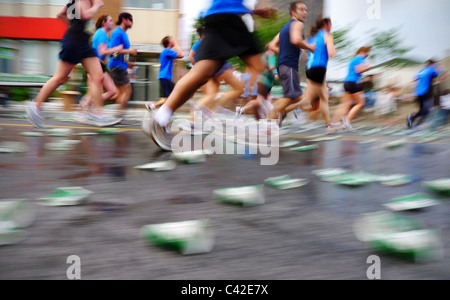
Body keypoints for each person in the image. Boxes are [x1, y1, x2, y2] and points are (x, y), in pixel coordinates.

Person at [146, 0, 277, 150]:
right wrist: (254, 12)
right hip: (229, 19)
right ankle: (263, 112)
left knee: (201, 73)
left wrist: (254, 12)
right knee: (258, 67)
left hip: (216, 17)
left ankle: (160, 117)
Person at [25, 0, 120, 128]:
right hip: (74, 42)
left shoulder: (74, 2)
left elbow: (60, 14)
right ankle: (35, 106)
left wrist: (73, 24)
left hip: (82, 44)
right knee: (60, 78)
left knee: (98, 76)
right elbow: (86, 15)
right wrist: (97, 5)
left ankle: (97, 113)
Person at [267, 1, 316, 127]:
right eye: (301, 9)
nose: (305, 12)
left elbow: (271, 45)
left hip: (284, 65)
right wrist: (309, 47)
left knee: (297, 97)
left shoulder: (285, 28)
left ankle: (277, 118)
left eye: (305, 9)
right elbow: (296, 40)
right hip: (288, 66)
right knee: (292, 97)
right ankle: (269, 121)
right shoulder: (297, 24)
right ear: (293, 12)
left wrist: (286, 51)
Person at [78, 14, 123, 116]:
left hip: (100, 65)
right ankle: (92, 109)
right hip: (95, 65)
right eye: (110, 20)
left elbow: (107, 52)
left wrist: (117, 53)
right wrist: (116, 49)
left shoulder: (103, 35)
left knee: (110, 91)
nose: (112, 23)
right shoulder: (101, 33)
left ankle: (90, 107)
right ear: (104, 22)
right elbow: (102, 52)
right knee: (103, 92)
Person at [331, 46, 373, 131]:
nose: (368, 54)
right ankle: (347, 122)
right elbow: (359, 70)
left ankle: (342, 120)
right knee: (361, 103)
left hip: (347, 83)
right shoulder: (359, 58)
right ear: (364, 51)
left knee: (348, 104)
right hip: (352, 83)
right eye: (368, 52)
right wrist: (369, 67)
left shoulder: (354, 59)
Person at [107, 12, 138, 118]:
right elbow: (113, 52)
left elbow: (121, 52)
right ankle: (118, 116)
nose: (132, 22)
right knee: (128, 90)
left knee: (120, 94)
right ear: (124, 19)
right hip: (116, 66)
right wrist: (129, 50)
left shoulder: (124, 34)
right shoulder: (117, 33)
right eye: (131, 20)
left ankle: (116, 115)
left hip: (121, 66)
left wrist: (127, 62)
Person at [236, 45, 278, 120]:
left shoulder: (262, 56)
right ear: (271, 48)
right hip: (265, 81)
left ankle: (243, 110)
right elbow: (271, 67)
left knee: (264, 100)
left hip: (260, 80)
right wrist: (275, 74)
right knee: (259, 101)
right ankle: (242, 109)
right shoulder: (271, 55)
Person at [407, 59, 447, 128]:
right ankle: (414, 119)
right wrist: (441, 67)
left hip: (418, 93)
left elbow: (413, 79)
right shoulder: (431, 70)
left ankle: (413, 119)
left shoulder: (422, 71)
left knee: (423, 110)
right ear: (432, 64)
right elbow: (440, 72)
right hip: (426, 93)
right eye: (435, 64)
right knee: (427, 110)